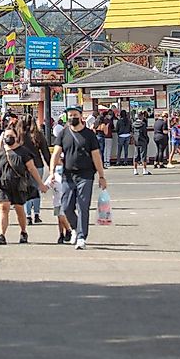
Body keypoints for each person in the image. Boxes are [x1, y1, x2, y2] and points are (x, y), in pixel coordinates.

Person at [50, 105, 107, 250]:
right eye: (69, 115)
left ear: (81, 116)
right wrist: (51, 173)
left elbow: (96, 155)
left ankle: (82, 237)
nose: (72, 117)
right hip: (68, 175)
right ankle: (75, 228)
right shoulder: (63, 134)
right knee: (66, 206)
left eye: (75, 114)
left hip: (86, 175)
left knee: (83, 206)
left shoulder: (89, 135)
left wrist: (101, 176)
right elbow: (55, 154)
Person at [0, 129, 49, 245]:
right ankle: (2, 235)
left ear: (16, 137)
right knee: (4, 208)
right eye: (6, 136)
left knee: (19, 209)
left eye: (11, 135)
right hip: (2, 185)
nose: (8, 138)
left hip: (19, 185)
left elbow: (32, 168)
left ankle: (23, 231)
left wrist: (41, 184)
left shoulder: (23, 152)